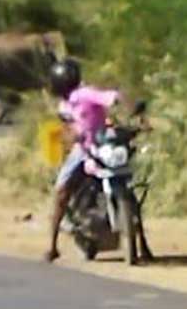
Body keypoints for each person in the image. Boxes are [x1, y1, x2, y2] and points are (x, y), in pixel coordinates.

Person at [43, 58, 121, 263]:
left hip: (101, 146)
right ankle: (52, 245)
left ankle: (52, 246)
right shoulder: (64, 105)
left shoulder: (85, 93)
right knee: (61, 190)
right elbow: (69, 126)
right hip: (84, 149)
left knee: (62, 192)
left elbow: (111, 97)